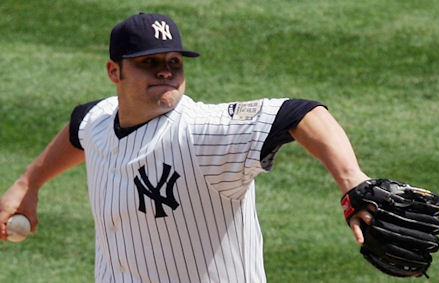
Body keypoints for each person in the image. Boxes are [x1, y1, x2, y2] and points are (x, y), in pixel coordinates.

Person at [0, 13, 372, 282]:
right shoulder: (100, 120)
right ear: (115, 72)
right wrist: (28, 183)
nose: (165, 72)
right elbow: (79, 126)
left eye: (174, 62)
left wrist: (352, 181)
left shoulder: (201, 132)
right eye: (150, 63)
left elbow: (300, 113)